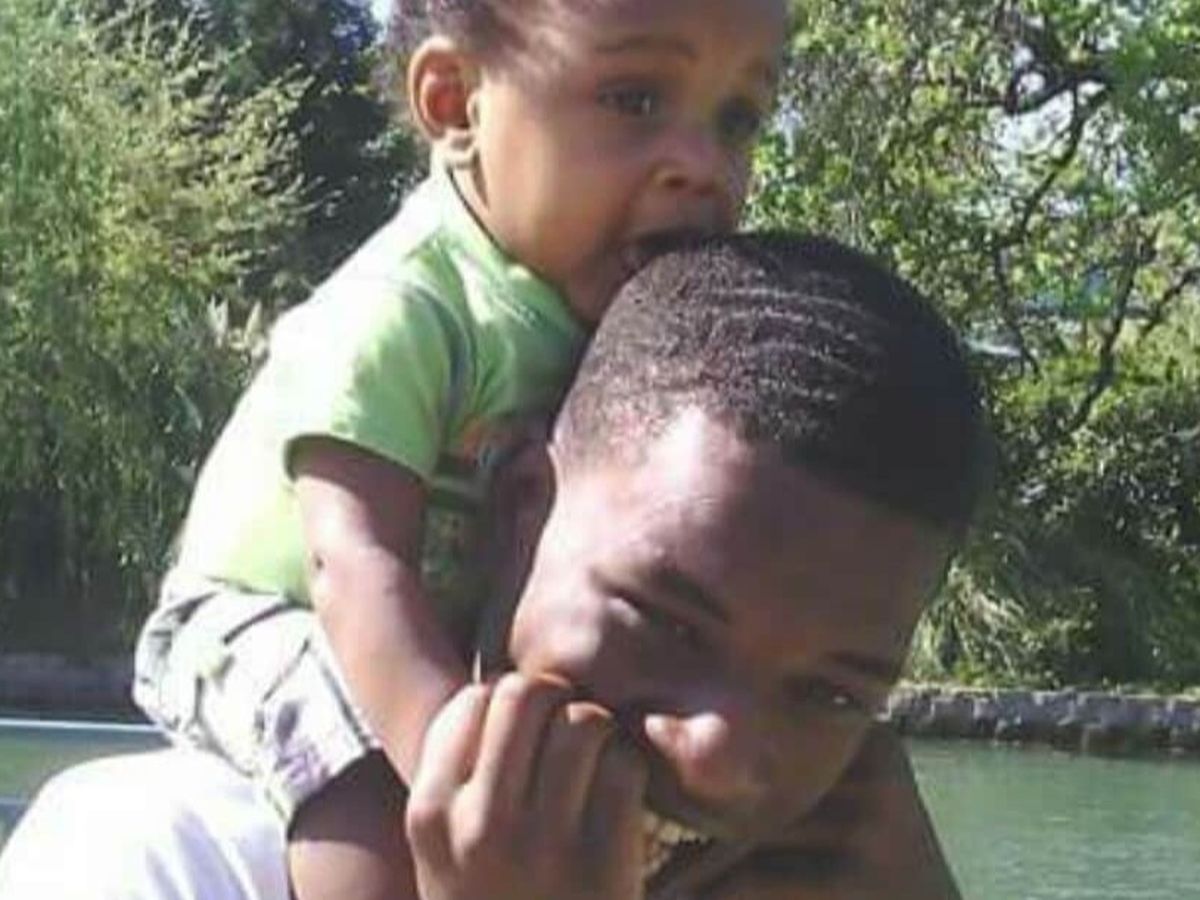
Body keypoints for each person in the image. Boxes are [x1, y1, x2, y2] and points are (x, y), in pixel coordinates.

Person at [0, 232, 985, 899]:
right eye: (667, 624)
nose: (718, 759)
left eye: (833, 696)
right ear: (520, 511)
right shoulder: (152, 858)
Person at [130, 0, 788, 898]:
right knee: (373, 799)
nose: (701, 164)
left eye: (737, 119)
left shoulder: (623, 323)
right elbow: (349, 564)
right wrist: (461, 771)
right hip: (260, 619)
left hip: (434, 633)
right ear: (455, 103)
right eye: (635, 99)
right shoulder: (408, 305)